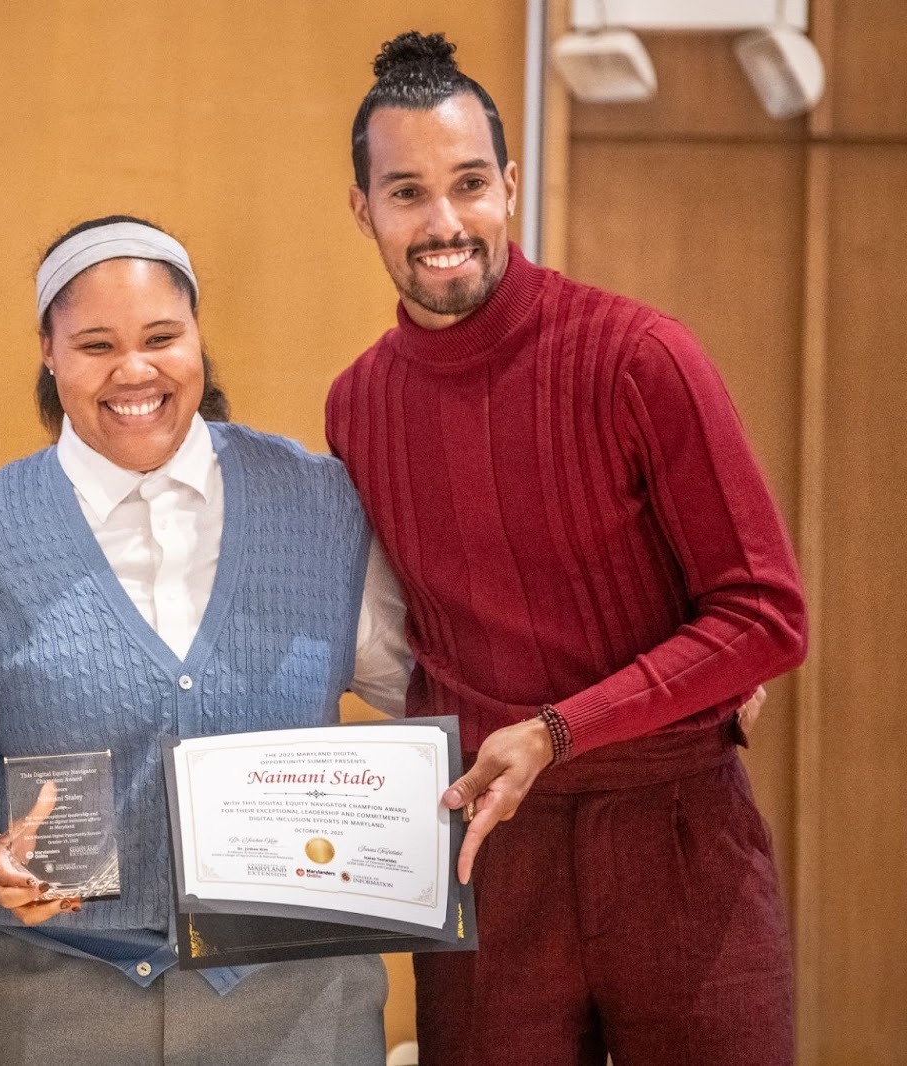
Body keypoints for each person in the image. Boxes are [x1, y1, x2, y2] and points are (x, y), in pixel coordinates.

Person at [327, 32, 807, 1066]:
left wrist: (558, 728)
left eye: (466, 184)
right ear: (361, 208)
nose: (443, 222)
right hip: (491, 863)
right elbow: (409, 640)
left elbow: (765, 615)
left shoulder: (642, 357)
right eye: (407, 192)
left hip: (680, 842)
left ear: (509, 184)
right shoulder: (355, 407)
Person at [0, 216, 411, 1065]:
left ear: (198, 339)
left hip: (296, 1008)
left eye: (161, 337)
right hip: (48, 1006)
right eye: (96, 344)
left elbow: (426, 692)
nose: (134, 371)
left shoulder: (318, 507)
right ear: (48, 350)